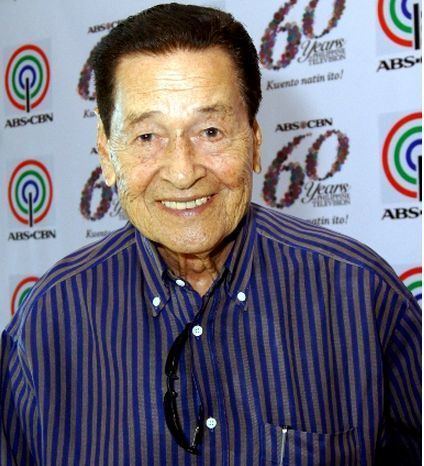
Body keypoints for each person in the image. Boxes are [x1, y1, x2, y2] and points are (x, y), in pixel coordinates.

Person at [0, 3, 421, 465]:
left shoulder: (361, 295)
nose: (182, 172)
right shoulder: (48, 321)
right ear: (106, 152)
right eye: (147, 137)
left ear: (256, 141)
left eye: (211, 130)